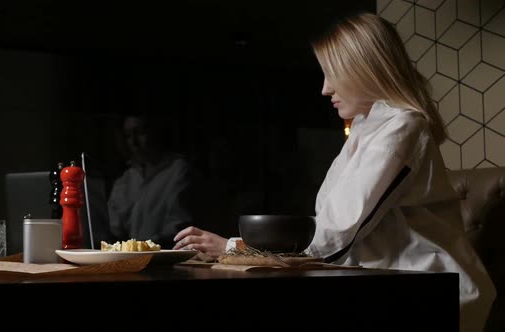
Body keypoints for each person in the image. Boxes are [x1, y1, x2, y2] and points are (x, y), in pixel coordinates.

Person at [173, 12, 496, 331]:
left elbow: (336, 235)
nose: (325, 89)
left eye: (332, 74)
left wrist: (235, 248)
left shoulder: (403, 126)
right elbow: (331, 228)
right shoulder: (365, 129)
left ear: (364, 70)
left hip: (425, 285)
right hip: (375, 277)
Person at [107, 112, 193, 250]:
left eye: (139, 132)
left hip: (169, 256)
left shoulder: (177, 169)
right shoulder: (125, 179)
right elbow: (115, 229)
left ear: (155, 132)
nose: (134, 142)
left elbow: (177, 225)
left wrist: (145, 247)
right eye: (128, 135)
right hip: (131, 259)